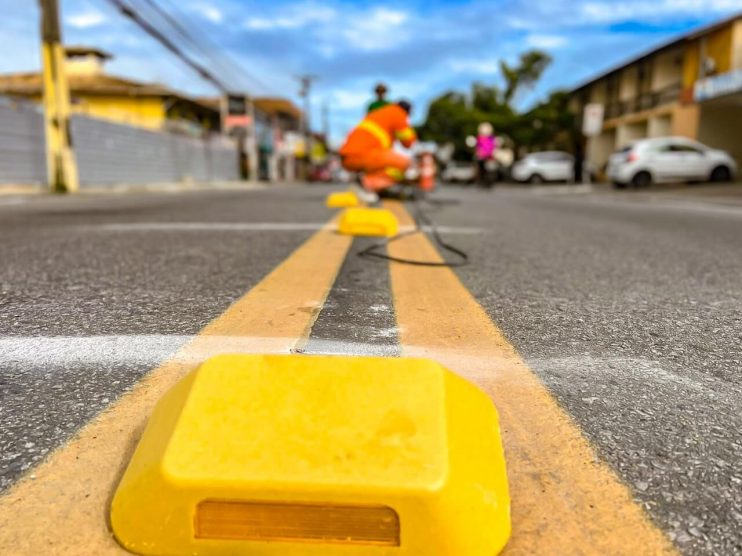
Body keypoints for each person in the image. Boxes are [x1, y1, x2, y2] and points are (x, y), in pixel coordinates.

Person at [339, 100, 417, 193]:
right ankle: (366, 185)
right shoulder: (398, 113)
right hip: (362, 154)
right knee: (405, 164)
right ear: (407, 111)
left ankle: (366, 182)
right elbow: (408, 143)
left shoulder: (380, 112)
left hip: (347, 157)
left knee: (386, 161)